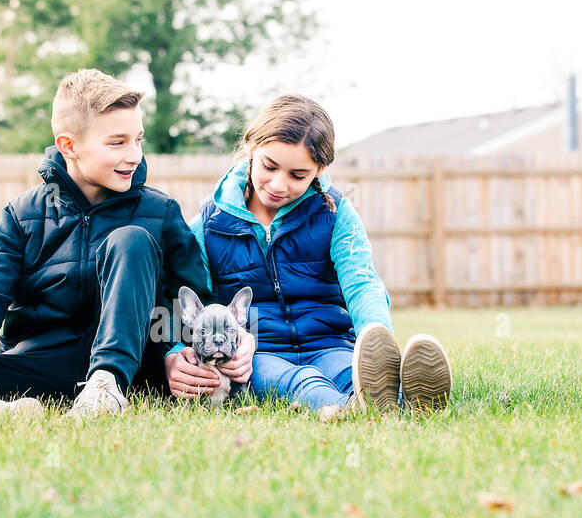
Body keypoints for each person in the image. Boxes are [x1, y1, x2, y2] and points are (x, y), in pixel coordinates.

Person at [0, 68, 253, 419]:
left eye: (137, 139)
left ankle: (103, 389)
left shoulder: (160, 212)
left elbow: (196, 303)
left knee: (130, 240)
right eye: (117, 142)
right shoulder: (22, 214)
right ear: (69, 146)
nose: (134, 154)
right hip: (42, 366)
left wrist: (174, 354)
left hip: (131, 371)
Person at [164, 94, 451, 418]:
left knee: (348, 372)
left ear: (320, 169)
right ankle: (353, 407)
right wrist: (176, 354)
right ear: (251, 149)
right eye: (269, 166)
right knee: (299, 381)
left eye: (298, 175)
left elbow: (362, 282)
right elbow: (186, 297)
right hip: (258, 353)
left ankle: (403, 394)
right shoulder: (210, 223)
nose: (277, 184)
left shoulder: (335, 214)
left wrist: (376, 340)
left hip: (329, 341)